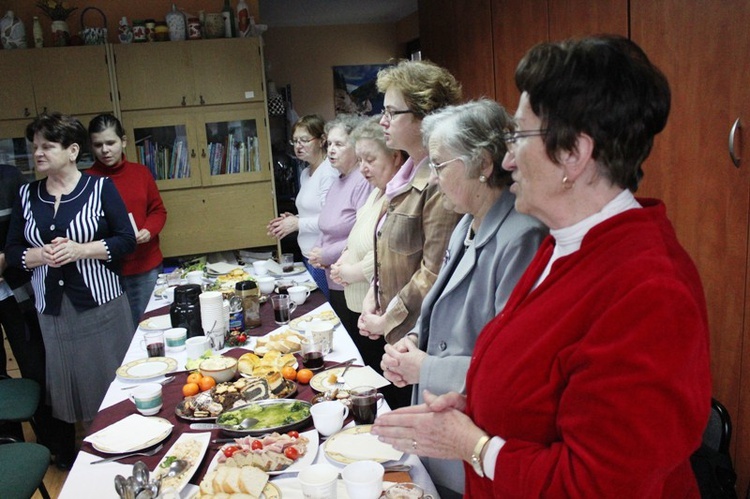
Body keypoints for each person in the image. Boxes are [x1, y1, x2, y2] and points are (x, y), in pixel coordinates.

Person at [371, 35, 712, 497]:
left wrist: (475, 446)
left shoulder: (651, 289)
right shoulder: (562, 245)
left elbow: (600, 484)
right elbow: (546, 385)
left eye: (519, 136)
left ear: (574, 154)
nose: (508, 158)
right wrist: (478, 404)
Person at [379, 99, 547, 498]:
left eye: (439, 165)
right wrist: (413, 342)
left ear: (483, 164)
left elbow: (516, 366)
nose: (434, 179)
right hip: (442, 421)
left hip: (475, 432)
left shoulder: (522, 236)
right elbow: (439, 307)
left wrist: (427, 368)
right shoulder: (467, 224)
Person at [6, 113, 137, 436]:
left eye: (47, 146)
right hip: (53, 313)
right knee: (76, 390)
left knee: (112, 387)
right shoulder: (27, 195)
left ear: (73, 151)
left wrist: (80, 250)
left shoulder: (100, 188)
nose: (38, 153)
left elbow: (125, 240)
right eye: (35, 146)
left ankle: (128, 446)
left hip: (102, 308)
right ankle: (95, 450)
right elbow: (12, 251)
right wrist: (38, 255)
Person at [357, 59, 463, 407]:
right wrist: (373, 295)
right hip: (396, 333)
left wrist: (386, 317)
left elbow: (434, 271)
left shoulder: (439, 181)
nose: (382, 121)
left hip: (421, 343)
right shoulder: (403, 174)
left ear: (423, 116)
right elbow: (385, 247)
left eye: (391, 112)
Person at [0, 163, 77, 469]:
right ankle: (11, 452)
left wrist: (7, 258)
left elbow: (32, 231)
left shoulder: (10, 179)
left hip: (19, 290)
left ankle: (58, 447)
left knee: (40, 368)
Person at [330, 117, 406, 364]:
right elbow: (358, 236)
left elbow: (387, 250)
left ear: (395, 157)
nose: (363, 168)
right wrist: (342, 260)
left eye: (370, 160)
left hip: (378, 312)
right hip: (358, 306)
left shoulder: (399, 197)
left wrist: (351, 273)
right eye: (360, 160)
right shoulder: (376, 192)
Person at [87, 114, 168, 327]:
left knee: (150, 326)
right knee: (118, 331)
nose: (105, 150)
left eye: (110, 143)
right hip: (105, 271)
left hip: (145, 266)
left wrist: (149, 230)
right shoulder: (86, 181)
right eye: (98, 145)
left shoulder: (140, 173)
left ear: (123, 141)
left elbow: (158, 210)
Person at [307, 114, 372, 323]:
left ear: (356, 148)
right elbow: (326, 226)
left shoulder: (363, 181)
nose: (331, 150)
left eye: (339, 144)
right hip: (333, 278)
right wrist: (316, 251)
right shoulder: (338, 181)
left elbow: (363, 233)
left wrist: (326, 254)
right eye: (330, 144)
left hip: (355, 283)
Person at [267, 115, 338, 297]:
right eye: (295, 141)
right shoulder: (306, 172)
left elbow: (330, 221)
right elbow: (313, 212)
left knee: (324, 307)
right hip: (307, 253)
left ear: (322, 140)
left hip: (321, 257)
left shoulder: (328, 172)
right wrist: (293, 219)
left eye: (305, 140)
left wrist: (297, 224)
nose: (298, 146)